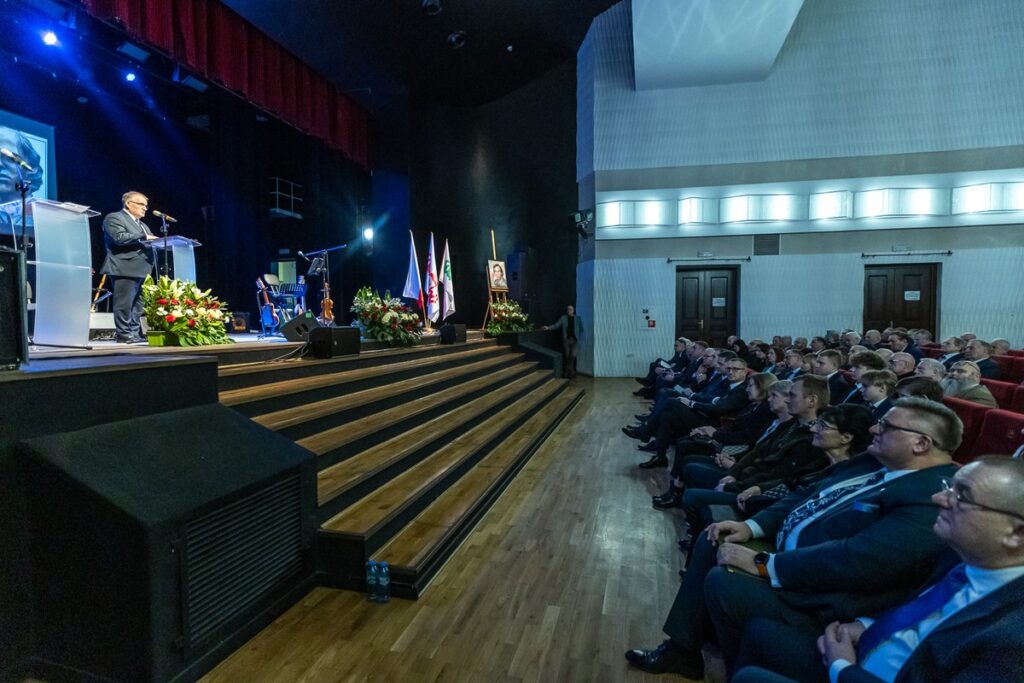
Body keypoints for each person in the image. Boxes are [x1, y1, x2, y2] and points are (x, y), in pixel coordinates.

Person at [624, 397, 960, 679]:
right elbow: (806, 492)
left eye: (886, 426)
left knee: (722, 583)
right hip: (790, 554)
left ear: (921, 443)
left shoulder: (928, 496)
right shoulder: (873, 461)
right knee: (717, 538)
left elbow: (857, 560)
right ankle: (685, 649)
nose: (873, 428)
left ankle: (733, 664)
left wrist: (765, 564)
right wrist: (754, 527)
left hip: (819, 590)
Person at [732, 457, 1024, 683]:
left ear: (1017, 534)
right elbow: (922, 610)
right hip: (864, 649)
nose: (938, 498)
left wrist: (842, 669)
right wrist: (867, 625)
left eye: (961, 496)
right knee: (760, 634)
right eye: (950, 488)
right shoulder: (961, 554)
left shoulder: (1013, 637)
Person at [101, 191, 158, 343]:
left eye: (146, 205)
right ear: (128, 204)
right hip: (124, 267)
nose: (145, 208)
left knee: (138, 305)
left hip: (143, 269)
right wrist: (144, 236)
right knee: (124, 304)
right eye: (141, 204)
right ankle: (123, 334)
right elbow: (119, 238)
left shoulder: (143, 225)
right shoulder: (114, 217)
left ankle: (134, 333)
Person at [543, 305, 582, 378]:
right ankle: (572, 370)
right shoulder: (563, 318)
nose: (569, 311)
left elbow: (581, 329)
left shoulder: (578, 318)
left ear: (573, 310)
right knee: (567, 356)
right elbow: (556, 325)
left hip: (575, 340)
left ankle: (567, 370)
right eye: (568, 309)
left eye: (570, 309)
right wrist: (548, 327)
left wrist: (578, 337)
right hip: (566, 340)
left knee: (573, 355)